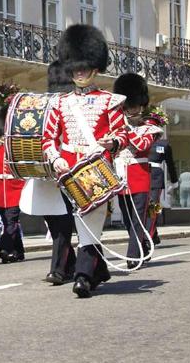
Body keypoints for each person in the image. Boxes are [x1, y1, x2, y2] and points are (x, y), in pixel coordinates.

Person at [41, 24, 128, 298]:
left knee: (89, 226)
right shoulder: (60, 103)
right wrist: (55, 159)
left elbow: (123, 134)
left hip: (96, 172)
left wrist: (112, 143)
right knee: (77, 225)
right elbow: (48, 139)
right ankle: (98, 269)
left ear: (95, 68)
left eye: (84, 67)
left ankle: (82, 277)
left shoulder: (109, 101)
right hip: (66, 173)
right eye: (75, 68)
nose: (79, 73)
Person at [113, 73, 163, 267]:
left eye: (134, 106)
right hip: (121, 176)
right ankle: (143, 246)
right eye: (128, 107)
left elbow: (142, 145)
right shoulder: (119, 125)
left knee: (138, 219)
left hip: (140, 176)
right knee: (127, 219)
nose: (131, 110)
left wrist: (125, 130)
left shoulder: (150, 126)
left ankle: (133, 257)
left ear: (141, 106)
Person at [42, 59, 78, 285]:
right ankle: (75, 265)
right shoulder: (47, 104)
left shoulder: (75, 106)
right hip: (44, 175)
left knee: (63, 224)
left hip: (70, 171)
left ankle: (58, 270)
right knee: (55, 224)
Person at [0, 105, 26, 263]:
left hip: (16, 189)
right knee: (8, 223)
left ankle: (3, 247)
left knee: (11, 222)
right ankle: (19, 252)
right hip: (0, 191)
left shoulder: (19, 149)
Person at [148, 126, 178, 244]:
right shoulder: (140, 142)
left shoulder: (163, 145)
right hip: (147, 175)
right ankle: (151, 234)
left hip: (153, 176)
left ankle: (151, 234)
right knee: (150, 207)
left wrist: (174, 180)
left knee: (152, 207)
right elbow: (170, 164)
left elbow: (170, 164)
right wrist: (174, 181)